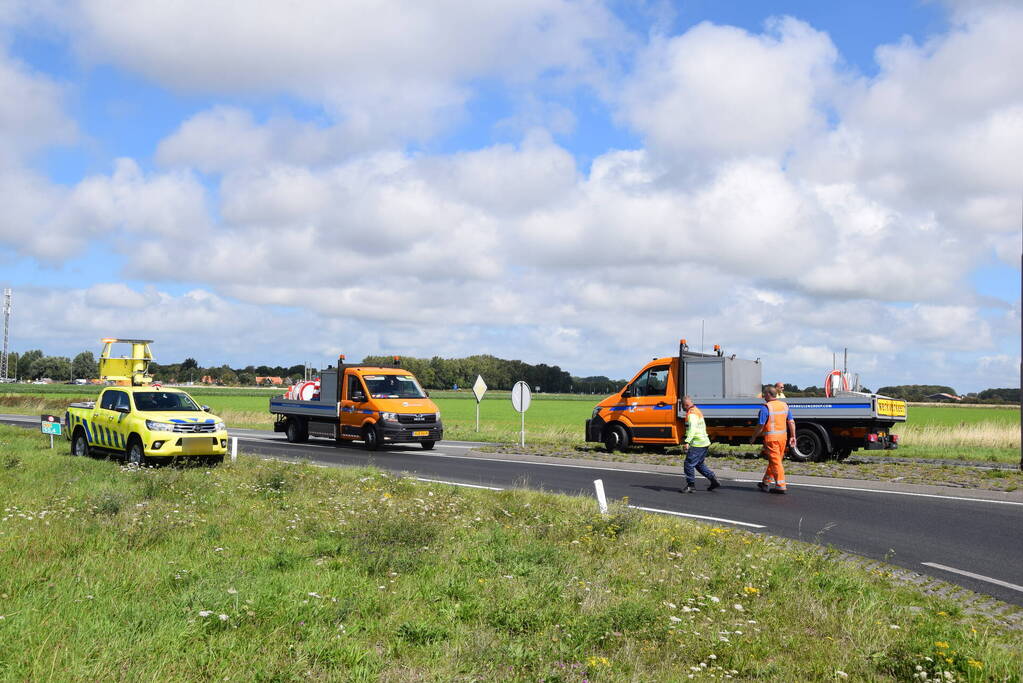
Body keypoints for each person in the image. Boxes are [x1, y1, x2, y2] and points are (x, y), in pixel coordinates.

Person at [750, 385, 795, 494]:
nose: (763, 396)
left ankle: (780, 486)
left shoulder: (766, 407)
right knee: (775, 461)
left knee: (776, 462)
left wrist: (753, 437)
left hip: (772, 439)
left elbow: (760, 425)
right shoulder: (784, 405)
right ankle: (765, 482)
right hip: (782, 438)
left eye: (764, 394)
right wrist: (793, 436)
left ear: (769, 394)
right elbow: (791, 422)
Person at [681, 395, 720, 493]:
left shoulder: (691, 414)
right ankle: (713, 480)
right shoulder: (697, 410)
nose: (682, 408)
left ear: (686, 404)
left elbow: (692, 429)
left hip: (697, 443)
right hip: (704, 442)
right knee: (699, 464)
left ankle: (691, 485)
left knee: (688, 464)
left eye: (682, 406)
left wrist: (687, 442)